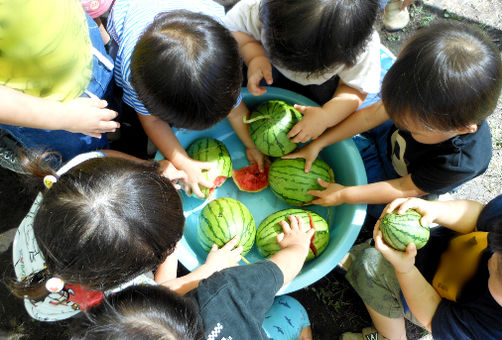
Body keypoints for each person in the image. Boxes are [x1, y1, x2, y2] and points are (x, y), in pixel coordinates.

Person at [285, 22, 502, 217]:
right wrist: (320, 143)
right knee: (361, 107)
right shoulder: (413, 99)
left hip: (404, 177)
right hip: (391, 141)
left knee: (377, 208)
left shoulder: (459, 162)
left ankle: (432, 197)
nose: (402, 123)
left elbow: (403, 186)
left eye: (413, 129)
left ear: (463, 129)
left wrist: (344, 194)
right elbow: (372, 115)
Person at [107, 0, 265, 198]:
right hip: (129, 13)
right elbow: (153, 120)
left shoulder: (220, 58)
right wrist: (184, 162)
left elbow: (236, 110)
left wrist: (252, 145)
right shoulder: (135, 77)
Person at [9, 150, 189, 321]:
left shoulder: (74, 182)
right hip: (53, 301)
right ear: (120, 275)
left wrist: (155, 167)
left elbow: (101, 155)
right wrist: (200, 263)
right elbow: (163, 292)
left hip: (27, 250)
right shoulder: (122, 288)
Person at [71, 215, 314, 339]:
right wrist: (298, 246)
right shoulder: (227, 292)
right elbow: (281, 270)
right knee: (291, 308)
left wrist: (173, 248)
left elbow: (164, 290)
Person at [341, 195, 502, 339]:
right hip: (433, 250)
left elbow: (432, 315)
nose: (492, 259)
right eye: (499, 249)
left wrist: (405, 270)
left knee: (369, 263)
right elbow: (478, 214)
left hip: (427, 299)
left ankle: (389, 336)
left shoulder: (493, 330)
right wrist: (434, 210)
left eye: (499, 273)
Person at [224, 0, 381, 144]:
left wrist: (327, 116)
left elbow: (354, 90)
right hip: (266, 66)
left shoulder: (363, 51)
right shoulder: (256, 9)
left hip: (321, 88)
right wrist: (254, 56)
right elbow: (236, 31)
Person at [0, 0, 119, 164]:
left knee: (109, 103)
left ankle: (111, 134)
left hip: (86, 47)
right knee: (85, 159)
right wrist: (66, 117)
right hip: (50, 111)